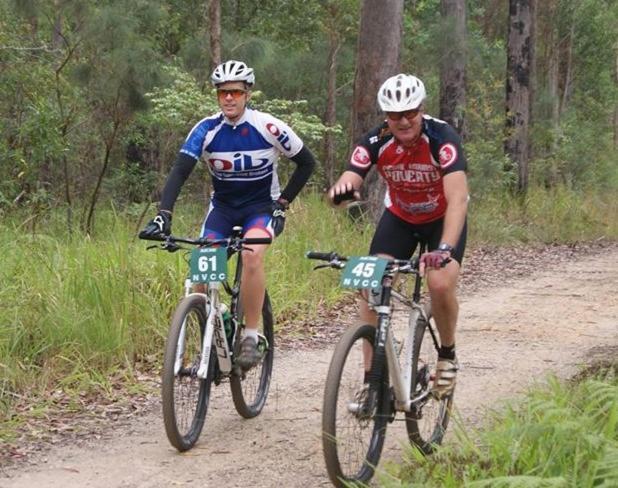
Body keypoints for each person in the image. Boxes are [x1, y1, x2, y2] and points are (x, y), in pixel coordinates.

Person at [140, 60, 316, 370]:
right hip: (222, 209)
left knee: (251, 255)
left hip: (261, 207)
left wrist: (284, 202)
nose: (229, 98)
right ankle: (215, 327)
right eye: (223, 93)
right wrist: (163, 215)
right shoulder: (206, 129)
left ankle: (251, 334)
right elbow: (180, 171)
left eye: (235, 92)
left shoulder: (268, 126)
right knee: (200, 275)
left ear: (247, 93)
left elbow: (307, 163)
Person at [327, 73, 468, 397]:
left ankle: (447, 355)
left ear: (421, 109)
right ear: (385, 116)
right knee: (370, 283)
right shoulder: (375, 141)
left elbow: (458, 199)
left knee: (439, 282)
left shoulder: (442, 138)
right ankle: (372, 381)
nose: (404, 121)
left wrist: (444, 247)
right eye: (394, 115)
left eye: (411, 113)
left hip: (442, 218)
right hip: (401, 218)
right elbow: (348, 181)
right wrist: (341, 192)